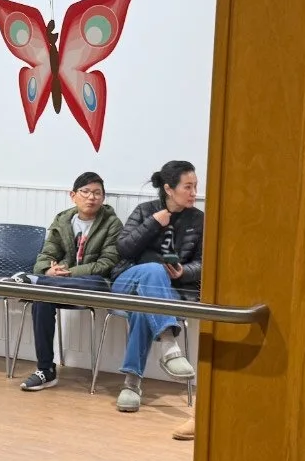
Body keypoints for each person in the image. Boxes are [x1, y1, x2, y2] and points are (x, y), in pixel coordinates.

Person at [111, 160, 203, 413]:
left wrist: (184, 272)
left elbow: (204, 263)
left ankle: (131, 384)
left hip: (167, 290)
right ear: (169, 189)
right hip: (128, 280)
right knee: (153, 269)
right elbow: (123, 249)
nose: (194, 193)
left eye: (195, 186)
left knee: (144, 307)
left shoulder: (198, 219)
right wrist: (152, 223)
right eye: (188, 187)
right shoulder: (145, 211)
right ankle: (169, 343)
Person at [19, 172, 122, 391]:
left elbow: (108, 263)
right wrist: (48, 269)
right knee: (42, 299)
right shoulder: (63, 220)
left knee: (42, 287)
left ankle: (33, 282)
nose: (91, 197)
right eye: (85, 192)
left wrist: (67, 273)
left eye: (97, 193)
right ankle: (46, 370)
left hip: (95, 284)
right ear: (73, 195)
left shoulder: (112, 223)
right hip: (59, 285)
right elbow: (46, 254)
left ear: (103, 197)